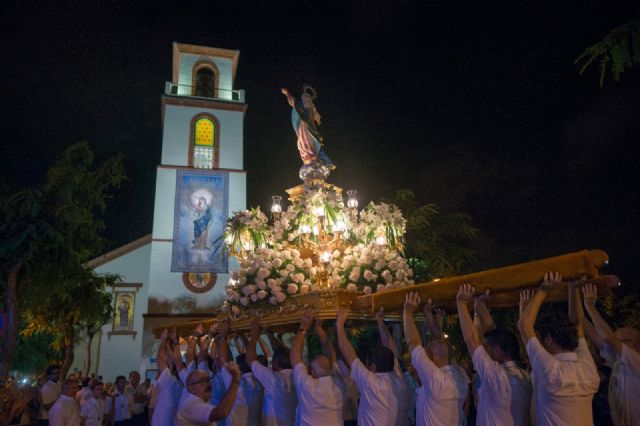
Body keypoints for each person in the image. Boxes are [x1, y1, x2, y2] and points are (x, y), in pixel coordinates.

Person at [518, 271, 599, 426]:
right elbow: (578, 325)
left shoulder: (551, 369)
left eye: (541, 339)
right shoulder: (587, 367)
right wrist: (573, 288)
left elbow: (524, 326)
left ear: (548, 339)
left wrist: (544, 290)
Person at [456, 284, 531, 426]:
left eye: (485, 348)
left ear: (497, 351)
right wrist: (480, 306)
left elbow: (471, 338)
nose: (483, 350)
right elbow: (493, 334)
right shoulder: (525, 377)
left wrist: (461, 302)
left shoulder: (495, 376)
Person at [403, 292, 469, 426]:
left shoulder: (435, 378)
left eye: (427, 353)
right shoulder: (459, 375)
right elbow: (442, 346)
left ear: (434, 357)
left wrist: (407, 312)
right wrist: (429, 316)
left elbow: (413, 343)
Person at [336, 308, 409, 426]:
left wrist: (339, 325)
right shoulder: (399, 379)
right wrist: (380, 320)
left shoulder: (371, 383)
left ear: (373, 367)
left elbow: (349, 353)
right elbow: (391, 348)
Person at [580, 283, 640, 426]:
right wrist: (577, 304)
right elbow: (596, 338)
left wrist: (590, 306)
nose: (618, 343)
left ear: (638, 345)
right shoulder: (619, 361)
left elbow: (608, 339)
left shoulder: (636, 361)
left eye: (624, 340)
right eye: (617, 339)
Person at [290, 311, 344, 426]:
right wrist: (319, 329)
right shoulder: (339, 384)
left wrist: (303, 328)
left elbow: (295, 355)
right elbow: (331, 354)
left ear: (313, 372)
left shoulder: (307, 386)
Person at [245, 319, 298, 426]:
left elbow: (250, 359)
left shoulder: (274, 379)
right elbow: (280, 350)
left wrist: (254, 335)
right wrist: (268, 332)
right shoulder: (299, 376)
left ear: (275, 364)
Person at [215, 325, 263, 426]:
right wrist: (241, 335)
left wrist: (224, 335)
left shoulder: (234, 383)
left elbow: (221, 359)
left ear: (238, 367)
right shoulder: (261, 381)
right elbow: (251, 358)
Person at [281, 86, 335, 170]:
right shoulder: (300, 106)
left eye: (307, 97)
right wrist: (287, 93)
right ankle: (312, 158)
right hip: (303, 127)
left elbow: (316, 117)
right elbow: (292, 101)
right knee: (305, 143)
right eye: (303, 97)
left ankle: (324, 161)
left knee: (315, 144)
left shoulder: (311, 107)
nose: (305, 99)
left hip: (310, 128)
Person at [175, 363, 243, 426]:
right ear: (191, 388)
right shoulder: (190, 405)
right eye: (202, 381)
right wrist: (235, 380)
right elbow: (221, 413)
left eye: (208, 379)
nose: (208, 384)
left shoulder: (200, 398)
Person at [151, 329, 182, 426]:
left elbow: (160, 358)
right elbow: (178, 361)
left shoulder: (169, 379)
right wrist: (175, 342)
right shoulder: (181, 380)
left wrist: (163, 341)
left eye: (168, 352)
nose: (166, 355)